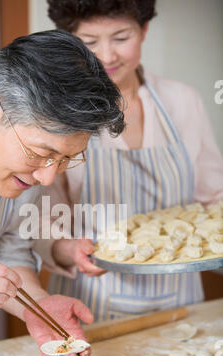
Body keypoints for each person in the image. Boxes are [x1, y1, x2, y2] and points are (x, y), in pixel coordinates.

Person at [0, 30, 124, 356]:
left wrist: (37, 305)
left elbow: (7, 248)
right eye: (40, 153)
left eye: (64, 160)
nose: (47, 177)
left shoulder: (25, 163)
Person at [35, 0, 223, 323]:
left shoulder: (182, 101)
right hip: (91, 298)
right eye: (90, 42)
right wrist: (68, 250)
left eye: (121, 38)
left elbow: (215, 197)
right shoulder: (57, 112)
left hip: (181, 301)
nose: (107, 56)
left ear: (144, 30)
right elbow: (40, 220)